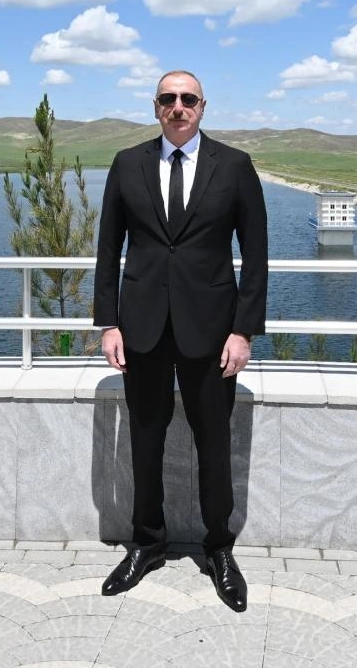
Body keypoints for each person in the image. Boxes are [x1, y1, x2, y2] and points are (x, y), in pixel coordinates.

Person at [94, 69, 268, 612]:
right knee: (144, 440)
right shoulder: (127, 164)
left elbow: (256, 255)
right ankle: (147, 544)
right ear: (155, 107)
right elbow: (108, 249)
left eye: (187, 98)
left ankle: (219, 549)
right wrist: (109, 323)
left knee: (213, 442)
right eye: (168, 98)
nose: (178, 107)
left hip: (212, 332)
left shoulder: (234, 166)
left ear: (202, 107)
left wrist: (242, 330)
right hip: (142, 328)